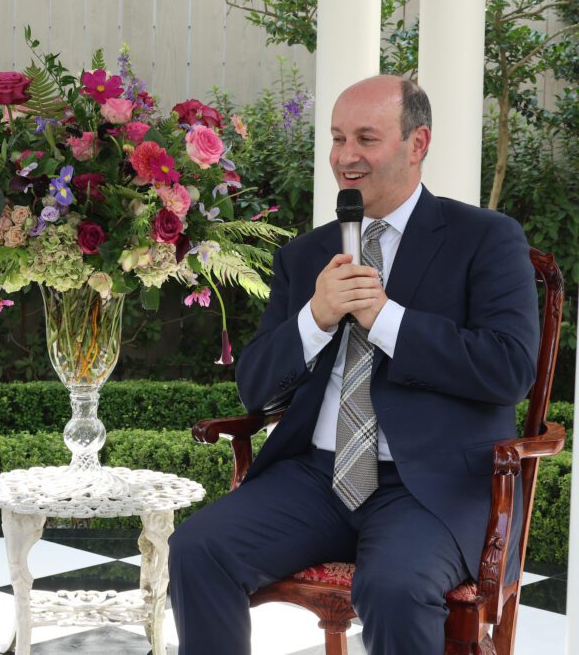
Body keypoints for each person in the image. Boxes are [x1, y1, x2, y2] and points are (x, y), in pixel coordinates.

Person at [168, 75, 539, 654]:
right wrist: (314, 318)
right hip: (315, 477)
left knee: (394, 585)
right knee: (198, 548)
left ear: (417, 144)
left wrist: (385, 318)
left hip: (431, 486)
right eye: (338, 138)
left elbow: (509, 369)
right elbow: (255, 388)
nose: (345, 156)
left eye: (366, 138)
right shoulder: (307, 254)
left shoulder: (485, 239)